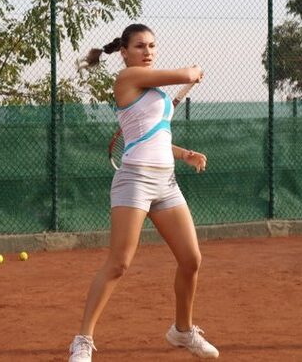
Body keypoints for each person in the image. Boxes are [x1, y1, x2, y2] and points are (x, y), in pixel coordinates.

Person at [69, 24, 219, 361]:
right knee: (119, 264)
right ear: (124, 52)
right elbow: (186, 73)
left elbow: (155, 134)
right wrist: (194, 71)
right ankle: (82, 340)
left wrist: (183, 154)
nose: (147, 51)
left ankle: (182, 331)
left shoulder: (157, 94)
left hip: (166, 182)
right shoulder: (128, 78)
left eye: (152, 45)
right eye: (139, 46)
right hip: (135, 180)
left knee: (191, 259)